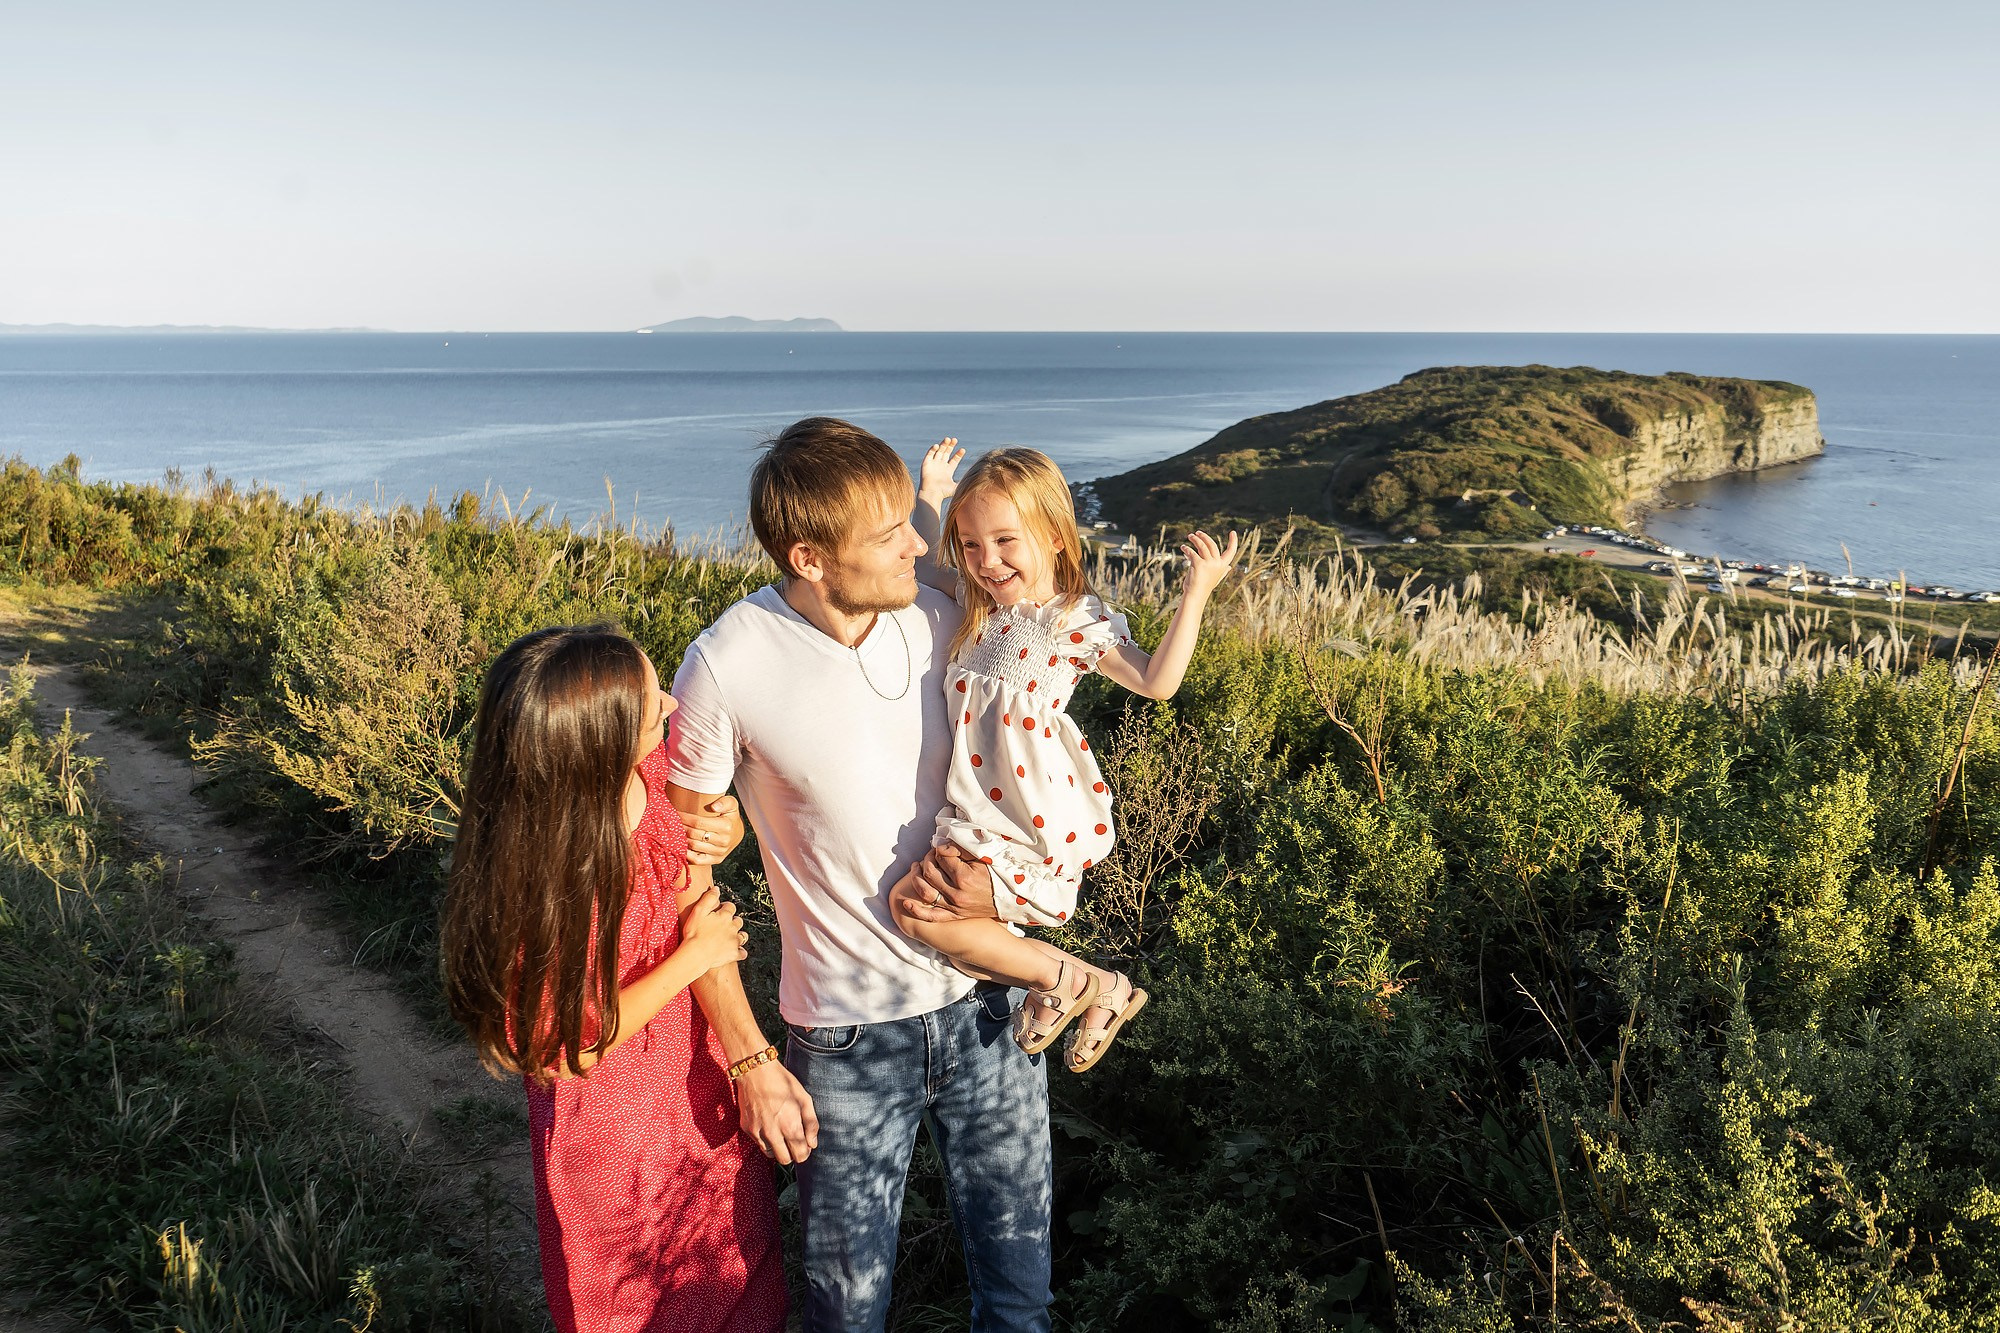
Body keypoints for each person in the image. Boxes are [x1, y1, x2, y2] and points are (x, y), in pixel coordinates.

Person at [661, 417, 1054, 1333]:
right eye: (891, 534)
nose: (923, 541)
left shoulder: (946, 611)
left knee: (1021, 1297)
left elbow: (1043, 729)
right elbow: (679, 873)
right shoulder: (726, 663)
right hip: (844, 1041)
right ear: (809, 556)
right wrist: (750, 1056)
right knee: (847, 1313)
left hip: (992, 999)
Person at [439, 625, 788, 1333]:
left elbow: (684, 849)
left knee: (732, 1267)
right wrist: (692, 957)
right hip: (612, 1126)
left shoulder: (640, 775)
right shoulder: (544, 881)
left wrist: (728, 826)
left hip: (691, 1079)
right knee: (635, 1297)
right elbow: (569, 1045)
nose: (668, 701)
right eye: (647, 700)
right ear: (592, 742)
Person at [903, 443, 1238, 1069]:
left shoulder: (1073, 619)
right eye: (971, 545)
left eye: (1006, 541)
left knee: (930, 913)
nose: (986, 561)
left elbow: (1156, 682)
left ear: (1056, 535)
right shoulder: (976, 607)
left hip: (1029, 805)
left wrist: (1196, 594)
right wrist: (931, 497)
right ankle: (1078, 988)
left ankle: (1075, 985)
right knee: (924, 915)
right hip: (976, 800)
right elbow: (924, 565)